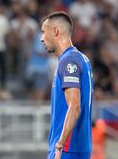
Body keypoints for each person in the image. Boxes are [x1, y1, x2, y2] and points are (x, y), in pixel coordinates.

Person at [40, 11, 93, 159]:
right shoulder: (83, 59)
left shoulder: (68, 61)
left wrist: (60, 144)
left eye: (44, 32)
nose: (41, 38)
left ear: (55, 31)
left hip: (67, 149)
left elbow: (75, 106)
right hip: (81, 147)